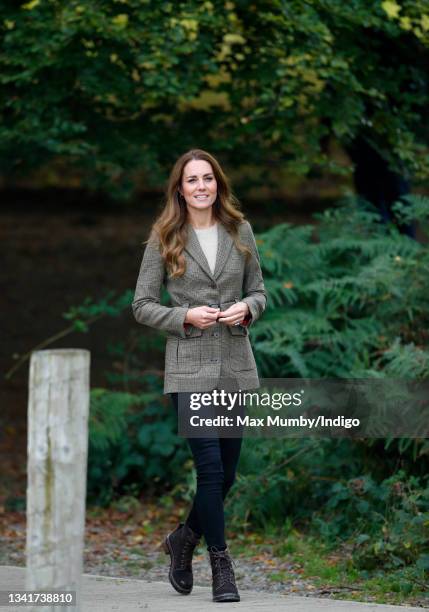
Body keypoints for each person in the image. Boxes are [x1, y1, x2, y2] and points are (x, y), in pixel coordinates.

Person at [132, 149, 267, 602]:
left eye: (208, 178)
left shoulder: (239, 230)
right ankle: (222, 566)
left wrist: (246, 308)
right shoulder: (165, 236)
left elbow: (259, 291)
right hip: (189, 367)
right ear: (180, 188)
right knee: (209, 472)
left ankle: (182, 539)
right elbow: (142, 305)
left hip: (233, 364)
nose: (201, 186)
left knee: (226, 475)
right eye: (192, 180)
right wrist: (185, 315)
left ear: (218, 184)